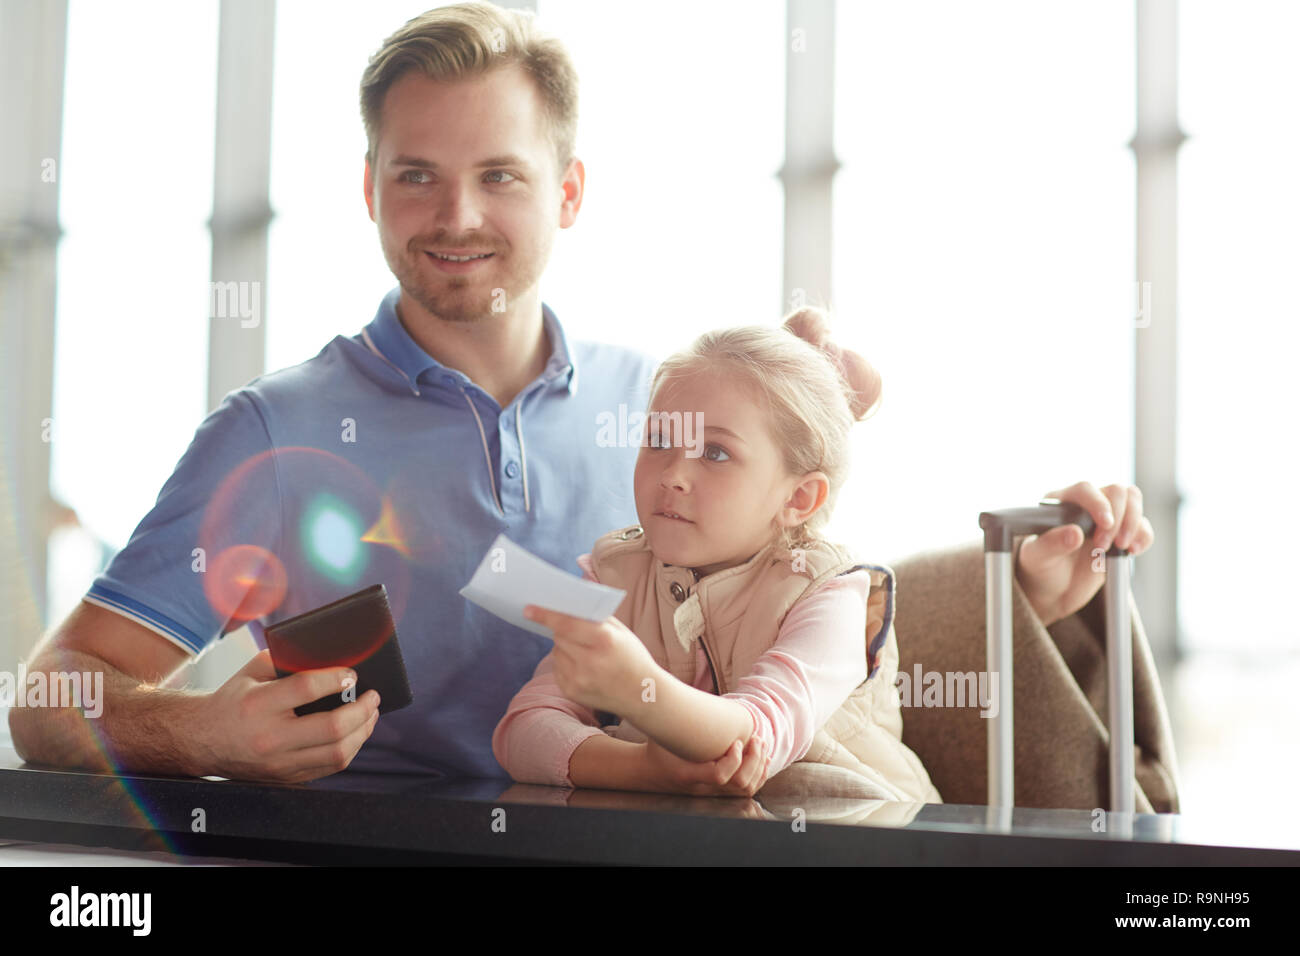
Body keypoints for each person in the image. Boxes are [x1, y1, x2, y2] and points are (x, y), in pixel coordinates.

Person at [9, 1, 1154, 788]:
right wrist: (207, 729)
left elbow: (787, 612)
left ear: (569, 193)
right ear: (368, 188)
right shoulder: (271, 435)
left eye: (499, 175)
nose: (456, 214)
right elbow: (49, 696)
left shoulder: (658, 410)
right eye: (417, 175)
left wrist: (1019, 592)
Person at [493, 309, 945, 800]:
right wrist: (644, 769)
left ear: (798, 499)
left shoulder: (831, 592)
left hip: (863, 838)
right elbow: (523, 731)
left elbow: (749, 741)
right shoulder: (616, 575)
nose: (672, 475)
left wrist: (639, 689)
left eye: (716, 453)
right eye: (660, 441)